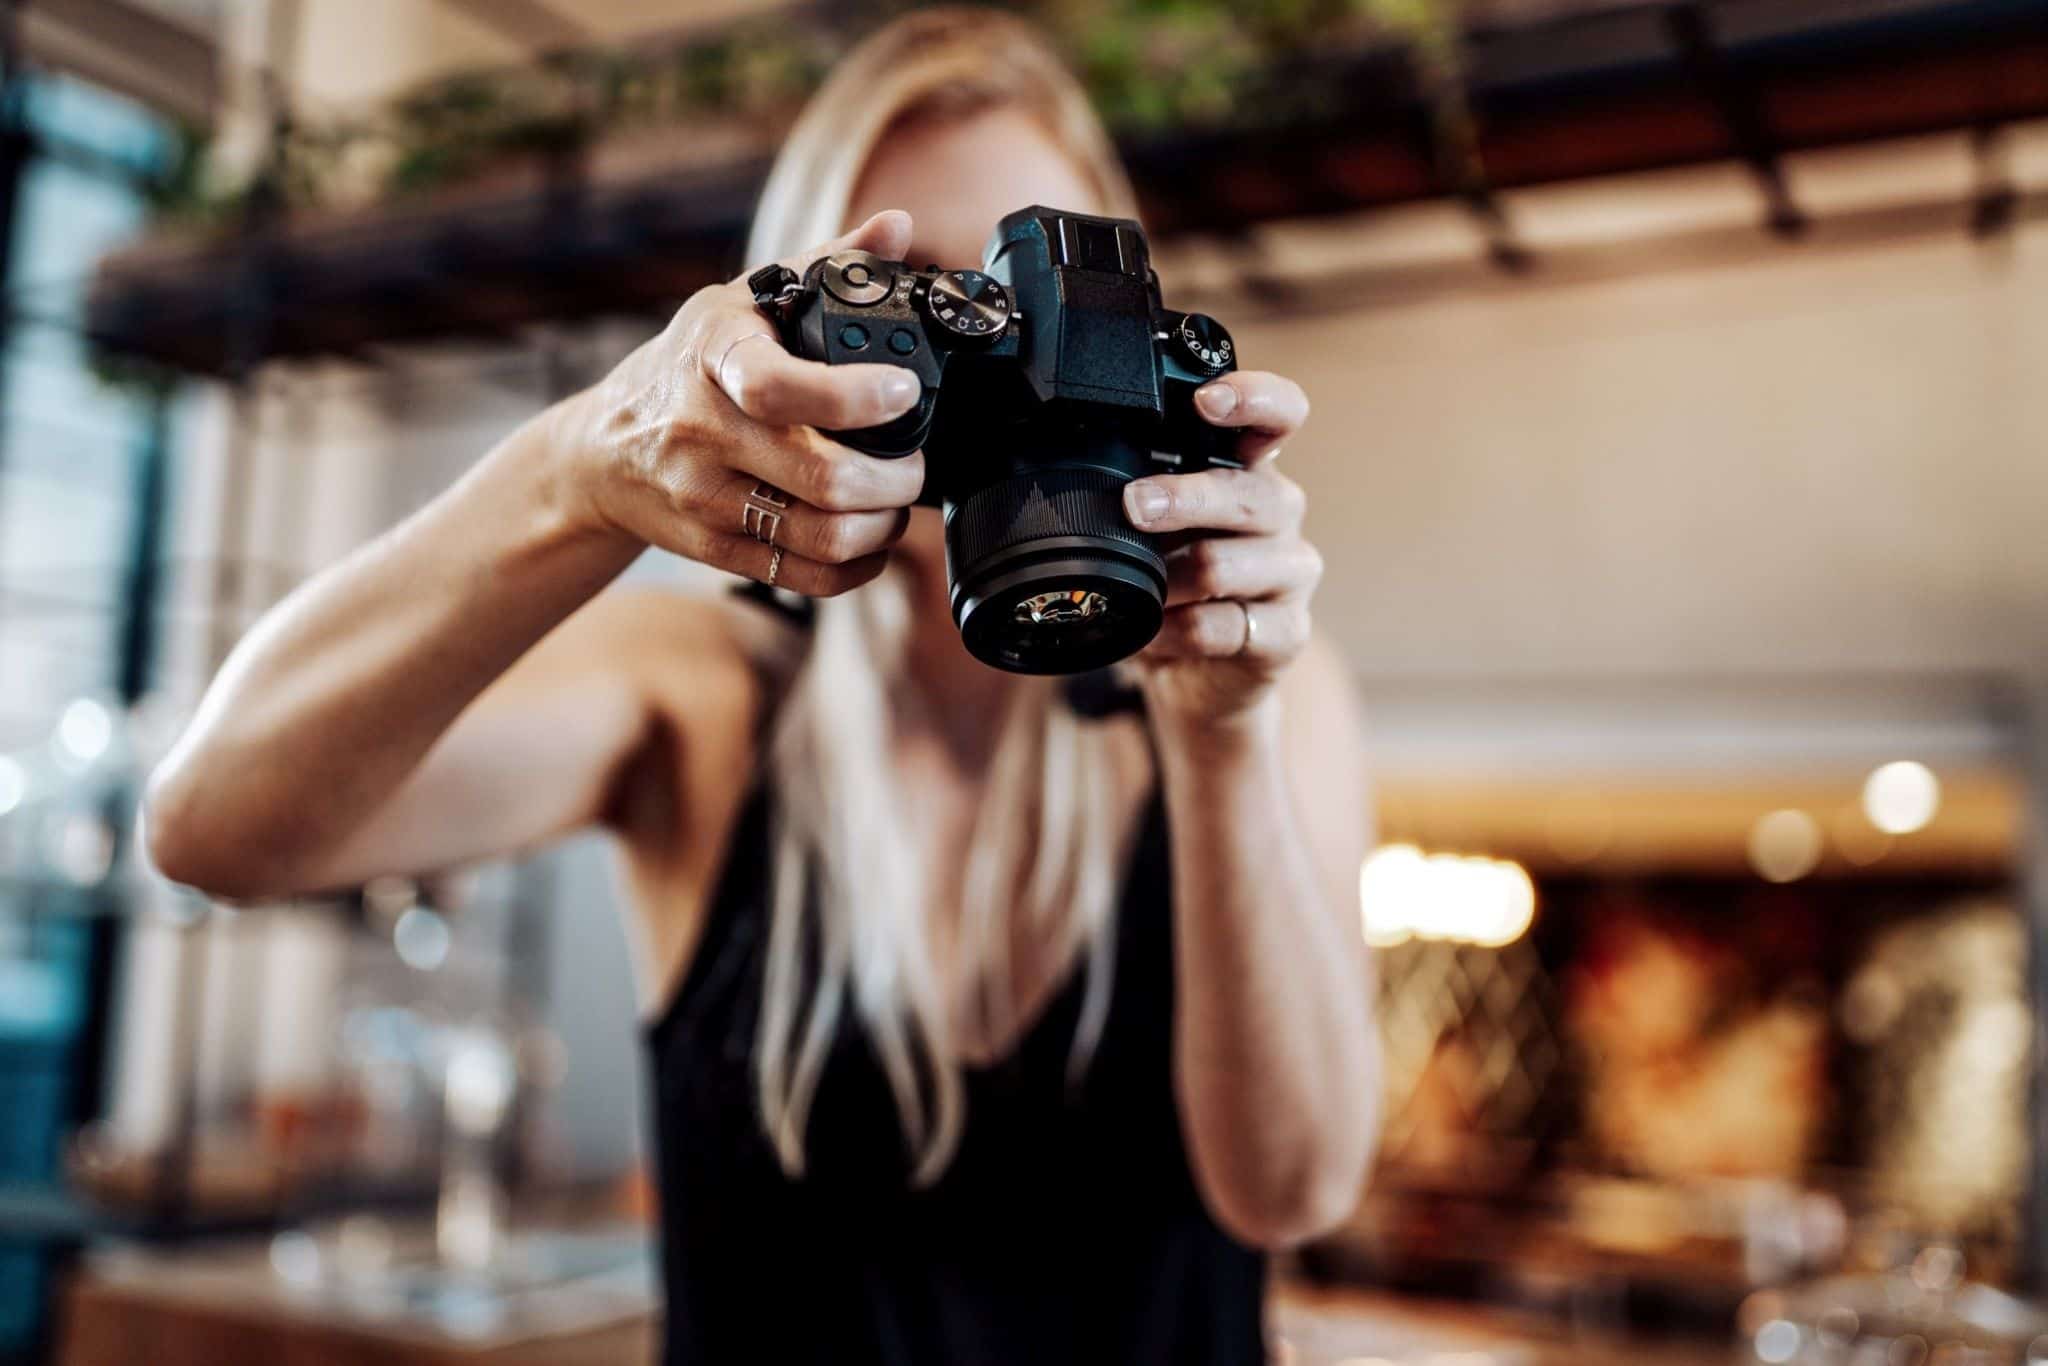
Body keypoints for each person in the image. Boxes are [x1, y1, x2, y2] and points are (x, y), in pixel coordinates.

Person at [144, 9, 1378, 1364]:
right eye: (930, 311)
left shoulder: (1269, 690)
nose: (987, 363)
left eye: (1027, 311)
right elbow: (211, 827)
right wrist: (574, 470)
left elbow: (1294, 1185)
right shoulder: (707, 693)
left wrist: (1221, 745)